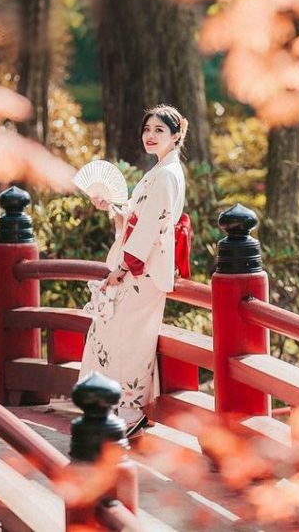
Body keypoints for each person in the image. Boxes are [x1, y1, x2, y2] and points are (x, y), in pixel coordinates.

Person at [78, 104, 191, 437]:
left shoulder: (168, 174)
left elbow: (151, 230)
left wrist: (125, 266)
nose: (151, 136)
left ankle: (131, 410)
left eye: (159, 130)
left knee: (131, 339)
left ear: (176, 135)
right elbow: (138, 216)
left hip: (141, 273)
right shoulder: (158, 172)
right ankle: (113, 407)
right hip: (135, 271)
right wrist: (113, 207)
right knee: (112, 333)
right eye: (147, 130)